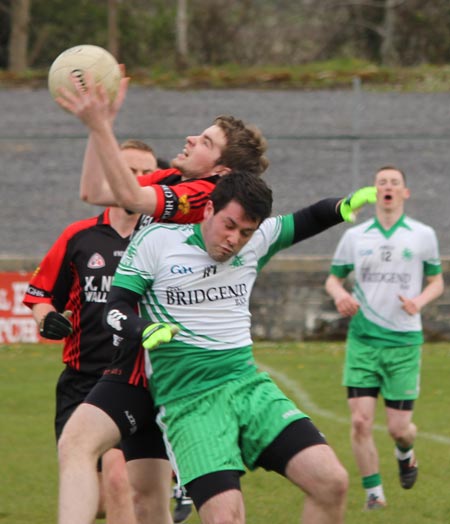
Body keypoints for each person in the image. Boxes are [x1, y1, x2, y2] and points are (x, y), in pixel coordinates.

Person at [53, 71, 270, 524]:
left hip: (175, 366)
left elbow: (130, 192)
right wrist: (102, 127)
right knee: (146, 497)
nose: (192, 138)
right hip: (146, 355)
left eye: (206, 141)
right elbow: (95, 192)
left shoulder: (207, 196)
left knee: (83, 447)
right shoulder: (178, 178)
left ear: (222, 170)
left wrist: (100, 125)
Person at [102, 172, 378, 523]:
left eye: (246, 233)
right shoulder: (156, 241)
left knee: (331, 481)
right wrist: (144, 329)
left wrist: (343, 206)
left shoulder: (257, 240)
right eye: (229, 225)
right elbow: (113, 309)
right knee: (225, 517)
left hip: (248, 387)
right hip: (190, 402)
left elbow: (310, 217)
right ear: (208, 210)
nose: (235, 240)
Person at [22, 140, 159, 524]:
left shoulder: (162, 238)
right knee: (96, 500)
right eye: (128, 171)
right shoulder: (79, 237)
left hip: (135, 381)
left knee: (120, 480)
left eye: (146, 172)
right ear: (110, 177)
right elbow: (40, 296)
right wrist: (46, 318)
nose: (137, 180)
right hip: (81, 382)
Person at [325, 166, 444, 510]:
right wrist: (339, 296)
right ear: (374, 192)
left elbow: (436, 281)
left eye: (394, 183)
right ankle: (374, 494)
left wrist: (419, 301)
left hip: (404, 344)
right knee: (360, 421)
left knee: (398, 428)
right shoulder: (355, 236)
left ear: (405, 193)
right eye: (381, 183)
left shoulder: (423, 235)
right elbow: (333, 279)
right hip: (363, 340)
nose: (387, 187)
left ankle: (405, 452)